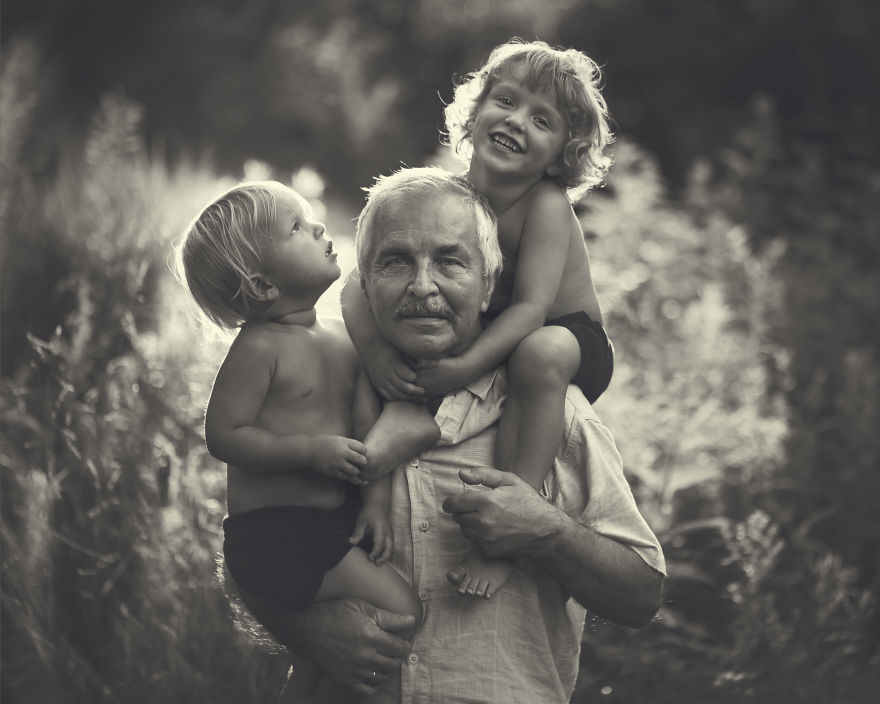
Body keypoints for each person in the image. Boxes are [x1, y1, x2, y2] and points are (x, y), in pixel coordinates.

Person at [241, 167, 665, 703]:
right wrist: (300, 626)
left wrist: (549, 532)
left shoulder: (555, 411)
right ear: (364, 285)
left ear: (488, 286)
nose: (423, 286)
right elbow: (250, 543)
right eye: (396, 261)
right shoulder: (314, 398)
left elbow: (642, 595)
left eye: (450, 261)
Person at [343, 39, 617, 599]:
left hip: (568, 340)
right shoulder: (452, 197)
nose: (517, 121)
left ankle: (512, 518)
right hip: (499, 328)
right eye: (507, 101)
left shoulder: (545, 206)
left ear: (561, 154)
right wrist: (376, 353)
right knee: (390, 345)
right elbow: (355, 285)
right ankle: (384, 471)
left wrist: (463, 367)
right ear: (475, 113)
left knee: (537, 354)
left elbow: (532, 309)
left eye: (541, 120)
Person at [179, 181, 426, 703]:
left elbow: (369, 435)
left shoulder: (344, 336)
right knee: (403, 610)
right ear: (262, 285)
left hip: (328, 526)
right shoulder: (260, 348)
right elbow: (223, 435)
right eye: (296, 226)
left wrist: (375, 504)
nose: (317, 227)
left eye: (310, 217)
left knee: (318, 660)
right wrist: (309, 451)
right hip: (276, 534)